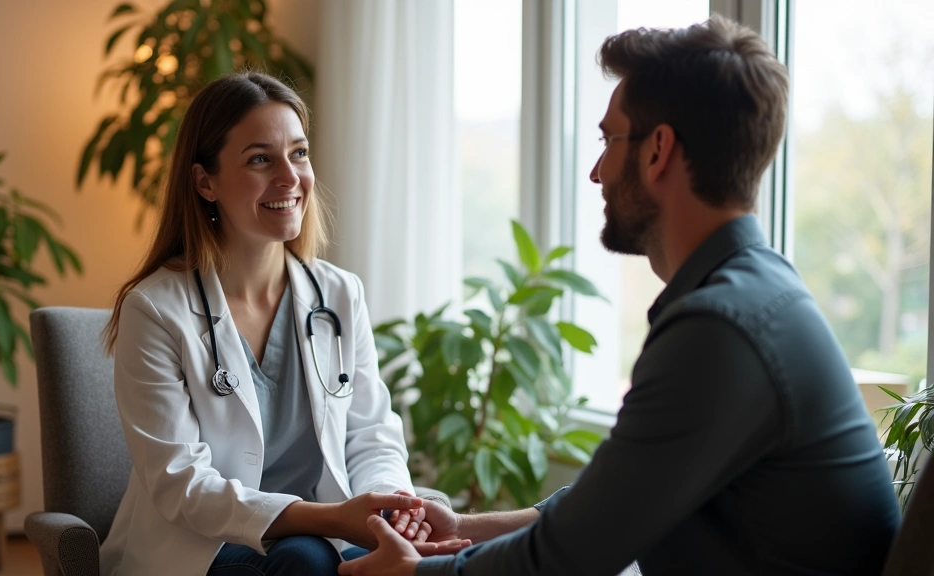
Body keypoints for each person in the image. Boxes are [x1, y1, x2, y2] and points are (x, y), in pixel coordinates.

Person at [338, 15, 902, 576]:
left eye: (609, 139)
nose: (595, 172)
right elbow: (606, 509)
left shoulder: (721, 328)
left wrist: (411, 574)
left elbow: (568, 558)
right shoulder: (751, 293)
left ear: (658, 151)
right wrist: (461, 528)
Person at [99, 71, 467, 576]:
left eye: (299, 153)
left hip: (322, 538)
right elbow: (182, 485)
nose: (290, 178)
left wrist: (390, 509)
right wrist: (335, 518)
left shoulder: (339, 294)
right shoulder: (156, 310)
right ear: (205, 182)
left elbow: (371, 434)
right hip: (199, 550)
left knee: (409, 560)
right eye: (259, 159)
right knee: (309, 560)